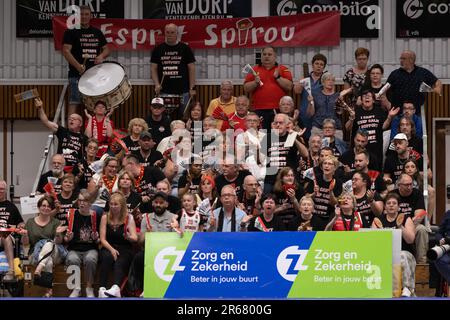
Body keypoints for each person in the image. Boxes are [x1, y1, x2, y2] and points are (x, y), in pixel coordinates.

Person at [62, 5, 110, 116]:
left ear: (91, 16)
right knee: (75, 101)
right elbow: (66, 51)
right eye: (81, 14)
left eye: (86, 14)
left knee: (95, 103)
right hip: (76, 74)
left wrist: (102, 56)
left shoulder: (97, 32)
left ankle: (94, 130)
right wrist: (78, 66)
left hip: (94, 75)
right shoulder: (71, 32)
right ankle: (71, 131)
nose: (84, 17)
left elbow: (107, 49)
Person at [20, 196, 68, 298]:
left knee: (49, 243)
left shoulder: (56, 222)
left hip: (55, 253)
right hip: (35, 255)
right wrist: (24, 235)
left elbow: (58, 242)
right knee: (48, 260)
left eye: (48, 206)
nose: (46, 208)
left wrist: (58, 234)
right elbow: (25, 244)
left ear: (51, 209)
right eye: (43, 205)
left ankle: (39, 267)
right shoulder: (30, 222)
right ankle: (48, 292)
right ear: (38, 207)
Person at [372, 193, 416, 297]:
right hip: (385, 254)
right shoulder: (378, 220)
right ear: (385, 206)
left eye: (394, 203)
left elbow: (410, 240)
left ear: (398, 206)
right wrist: (380, 232)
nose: (391, 205)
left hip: (405, 254)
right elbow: (373, 242)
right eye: (388, 203)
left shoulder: (406, 219)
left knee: (402, 255)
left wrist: (400, 226)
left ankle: (407, 288)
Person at [151, 23, 196, 119]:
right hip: (164, 90)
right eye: (168, 32)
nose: (170, 34)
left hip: (183, 90)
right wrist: (156, 84)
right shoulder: (158, 49)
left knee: (185, 116)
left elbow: (191, 68)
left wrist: (192, 88)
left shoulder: (185, 48)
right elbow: (153, 68)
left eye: (172, 32)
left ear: (177, 33)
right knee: (164, 118)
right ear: (165, 33)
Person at [346, 90, 399, 171]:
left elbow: (383, 127)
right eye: (364, 96)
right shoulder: (356, 111)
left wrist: (389, 117)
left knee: (375, 174)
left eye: (369, 96)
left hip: (376, 150)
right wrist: (351, 118)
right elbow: (347, 128)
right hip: (359, 150)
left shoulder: (379, 111)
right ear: (361, 100)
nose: (366, 97)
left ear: (373, 100)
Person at [99, 192, 137, 298]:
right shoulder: (105, 217)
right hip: (108, 246)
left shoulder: (129, 218)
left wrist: (129, 237)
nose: (113, 206)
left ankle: (116, 288)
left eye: (116, 204)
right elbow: (102, 239)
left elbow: (135, 238)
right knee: (107, 257)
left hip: (125, 247)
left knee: (120, 261)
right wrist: (111, 249)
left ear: (122, 205)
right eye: (111, 204)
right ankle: (101, 289)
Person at [244, 46, 293, 129]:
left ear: (275, 56)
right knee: (263, 138)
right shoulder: (254, 70)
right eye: (264, 54)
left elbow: (289, 87)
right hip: (258, 109)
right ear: (261, 56)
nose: (266, 56)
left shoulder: (283, 69)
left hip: (278, 109)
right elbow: (246, 88)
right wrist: (255, 82)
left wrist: (278, 78)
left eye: (269, 54)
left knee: (275, 136)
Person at [64, 189, 101, 298]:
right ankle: (76, 288)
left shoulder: (95, 216)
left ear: (90, 203)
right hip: (74, 248)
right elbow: (66, 239)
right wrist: (67, 238)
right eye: (80, 201)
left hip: (90, 248)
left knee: (90, 259)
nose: (82, 203)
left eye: (85, 201)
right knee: (72, 259)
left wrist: (96, 239)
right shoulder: (72, 215)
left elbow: (99, 240)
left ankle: (89, 288)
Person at [35, 98, 87, 170]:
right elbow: (46, 122)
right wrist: (40, 108)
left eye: (74, 119)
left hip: (75, 169)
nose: (71, 120)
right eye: (70, 119)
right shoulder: (63, 131)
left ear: (80, 123)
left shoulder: (84, 137)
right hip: (61, 167)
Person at [387, 50, 442, 115]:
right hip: (398, 112)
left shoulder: (423, 72)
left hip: (417, 112)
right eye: (400, 58)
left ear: (411, 60)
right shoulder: (394, 74)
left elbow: (437, 82)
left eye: (403, 58)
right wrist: (387, 104)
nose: (401, 61)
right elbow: (385, 90)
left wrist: (437, 88)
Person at [393, 173, 428, 264]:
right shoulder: (392, 194)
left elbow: (420, 214)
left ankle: (422, 264)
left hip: (412, 224)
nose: (409, 187)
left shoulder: (416, 193)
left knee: (421, 229)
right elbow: (387, 212)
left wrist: (408, 225)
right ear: (399, 185)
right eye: (406, 185)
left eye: (411, 184)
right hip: (394, 224)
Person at [294, 53, 327, 139]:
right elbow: (297, 91)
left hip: (319, 117)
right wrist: (302, 80)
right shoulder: (305, 77)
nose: (319, 66)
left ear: (324, 67)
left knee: (317, 141)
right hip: (304, 114)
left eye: (321, 65)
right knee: (304, 139)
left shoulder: (326, 79)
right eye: (316, 64)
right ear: (312, 65)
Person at [305, 155, 343, 231]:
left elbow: (335, 204)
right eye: (325, 163)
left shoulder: (338, 182)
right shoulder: (315, 179)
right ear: (322, 167)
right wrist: (314, 194)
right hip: (314, 216)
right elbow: (306, 198)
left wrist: (331, 192)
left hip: (328, 217)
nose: (326, 166)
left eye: (329, 164)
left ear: (334, 168)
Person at [0, 180, 24, 282]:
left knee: (5, 236)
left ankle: (11, 270)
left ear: (5, 190)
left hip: (7, 235)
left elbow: (20, 223)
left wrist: (21, 226)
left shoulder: (12, 207)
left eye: (1, 189)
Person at [308, 73, 343, 140]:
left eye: (332, 80)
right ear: (323, 82)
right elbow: (310, 113)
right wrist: (310, 102)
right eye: (328, 80)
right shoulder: (315, 95)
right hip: (318, 128)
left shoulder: (338, 96)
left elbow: (340, 113)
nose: (330, 82)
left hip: (335, 128)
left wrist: (340, 104)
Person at [433, 210, 450, 286]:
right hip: (447, 246)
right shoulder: (448, 213)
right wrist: (440, 239)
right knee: (437, 257)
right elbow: (439, 232)